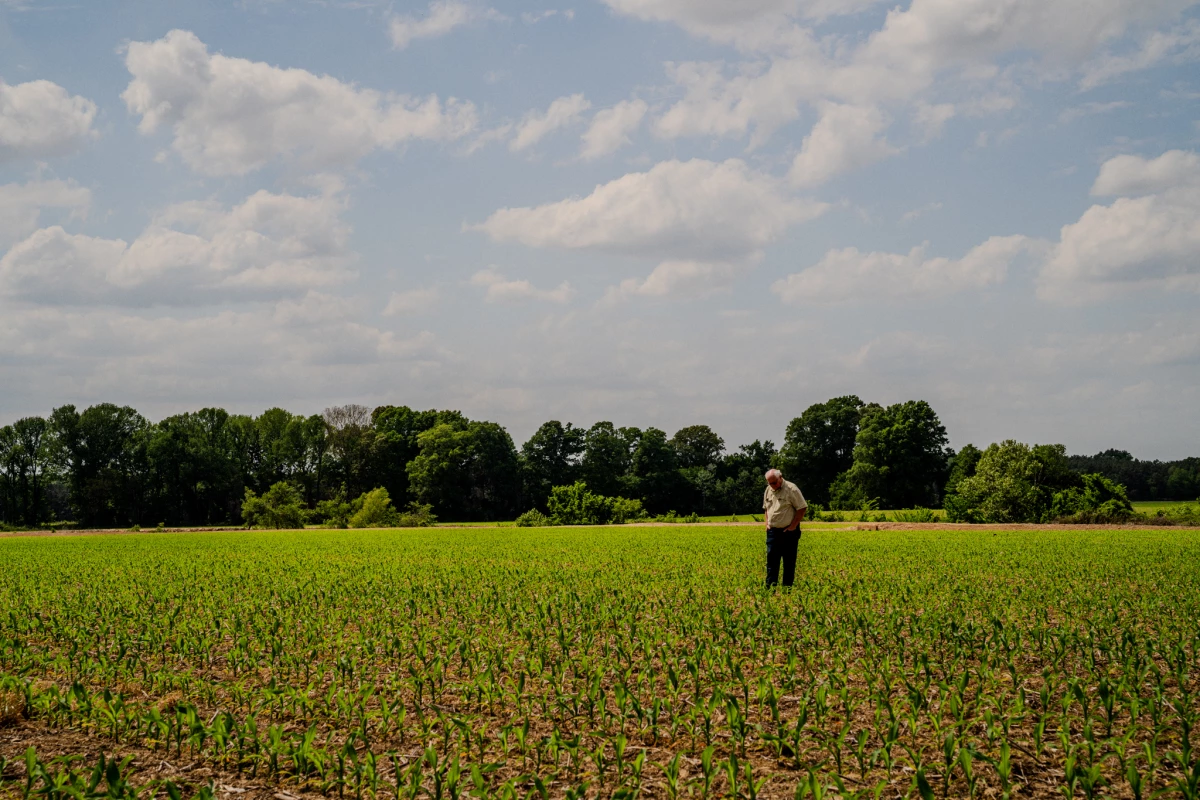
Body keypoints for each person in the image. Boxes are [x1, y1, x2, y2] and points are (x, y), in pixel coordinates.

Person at [762, 468, 807, 587]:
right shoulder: (768, 489)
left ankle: (787, 589)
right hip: (772, 532)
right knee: (771, 562)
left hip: (789, 532)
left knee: (789, 562)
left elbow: (802, 508)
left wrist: (793, 526)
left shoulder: (791, 489)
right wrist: (767, 523)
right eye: (769, 483)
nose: (772, 485)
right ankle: (770, 589)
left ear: (780, 477)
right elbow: (766, 508)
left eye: (774, 482)